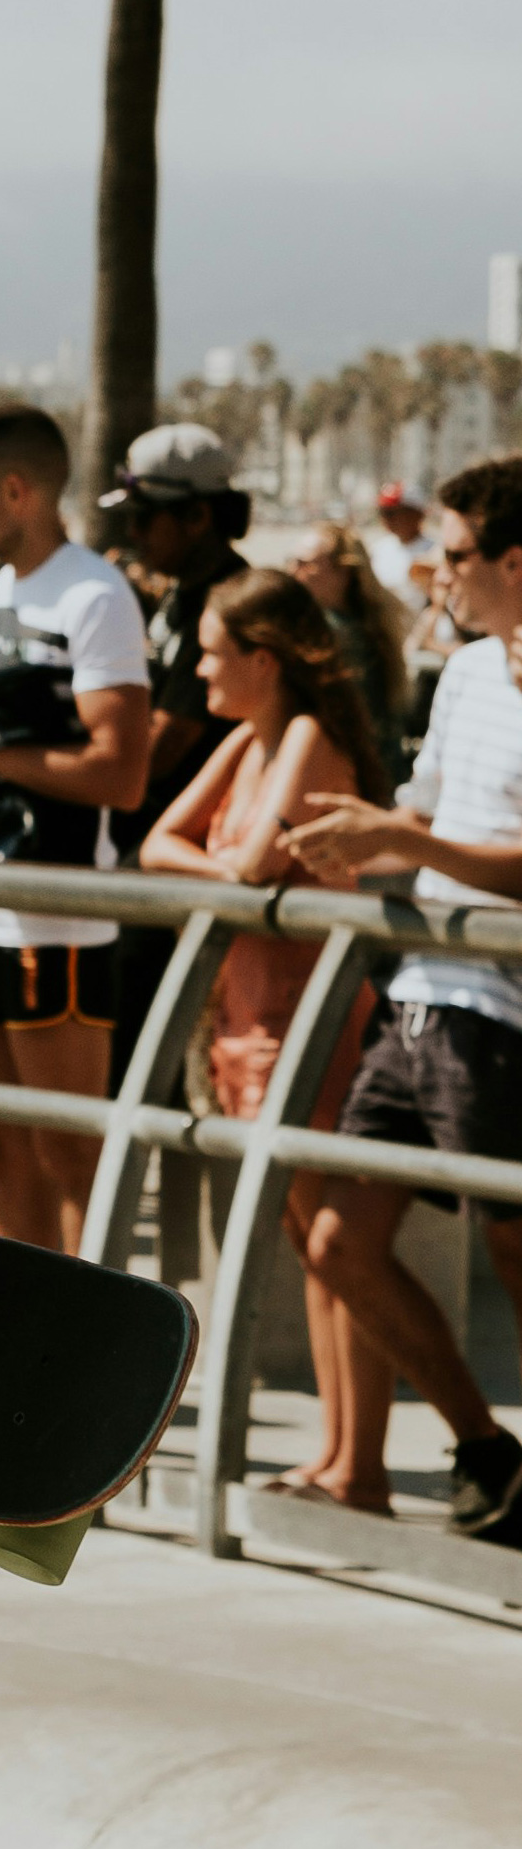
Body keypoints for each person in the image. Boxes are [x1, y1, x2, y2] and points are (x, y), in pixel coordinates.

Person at [287, 457, 522, 1538]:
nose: (435, 575)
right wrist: (360, 835)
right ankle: (484, 1449)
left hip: (501, 1011)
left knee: (511, 1258)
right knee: (335, 1239)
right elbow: (421, 815)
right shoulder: (468, 674)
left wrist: (396, 840)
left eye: (455, 556)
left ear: (512, 563)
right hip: (424, 992)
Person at [140, 570, 391, 1509]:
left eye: (211, 651)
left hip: (310, 1023)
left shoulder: (307, 739)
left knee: (331, 1244)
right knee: (301, 1234)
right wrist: (229, 878)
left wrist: (228, 877)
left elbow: (243, 866)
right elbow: (158, 840)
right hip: (247, 1027)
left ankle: (356, 1464)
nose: (196, 669)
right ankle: (338, 1459)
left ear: (263, 659)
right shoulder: (247, 741)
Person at [0, 403, 151, 1253]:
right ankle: (34, 1365)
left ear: (17, 492)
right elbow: (3, 731)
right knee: (6, 1152)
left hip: (54, 922)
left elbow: (121, 774)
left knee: (71, 1158)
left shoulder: (94, 594)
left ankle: (109, 1369)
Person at [98, 422, 252, 1085]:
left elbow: (157, 752)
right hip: (154, 844)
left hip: (182, 856)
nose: (134, 534)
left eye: (145, 517)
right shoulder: (181, 598)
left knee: (142, 1063)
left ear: (197, 516)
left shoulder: (225, 603)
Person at [288, 519, 409, 781]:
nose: (293, 572)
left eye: (305, 564)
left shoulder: (334, 634)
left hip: (357, 779)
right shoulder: (367, 625)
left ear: (343, 572)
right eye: (292, 561)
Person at [367, 481, 435, 617]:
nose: (386, 519)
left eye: (391, 513)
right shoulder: (379, 549)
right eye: (383, 512)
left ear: (415, 513)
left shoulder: (434, 550)